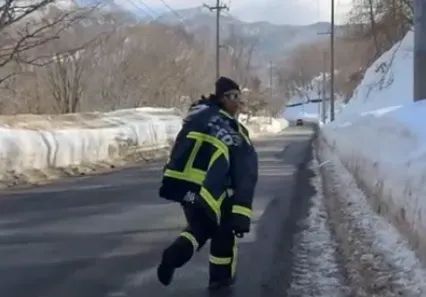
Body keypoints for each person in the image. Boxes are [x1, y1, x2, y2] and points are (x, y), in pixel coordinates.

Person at [157, 76, 259, 291]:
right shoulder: (232, 129)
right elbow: (244, 172)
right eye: (235, 97)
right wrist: (241, 213)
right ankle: (220, 281)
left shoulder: (197, 118)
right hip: (214, 191)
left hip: (185, 189)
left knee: (200, 228)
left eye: (240, 97)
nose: (239, 102)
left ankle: (174, 255)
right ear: (224, 98)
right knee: (223, 233)